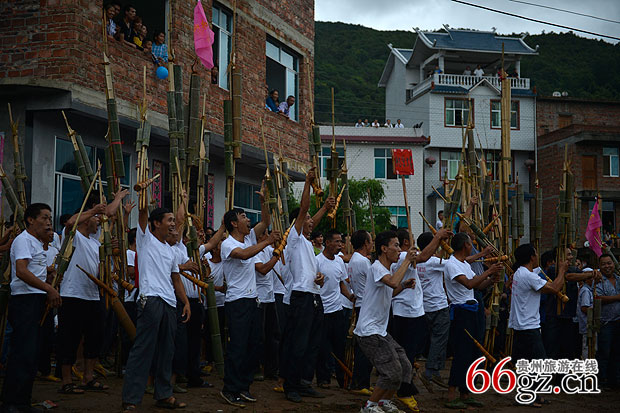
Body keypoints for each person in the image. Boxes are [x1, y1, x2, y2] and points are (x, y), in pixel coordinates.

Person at [121, 202, 190, 412]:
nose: (173, 224)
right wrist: (143, 199)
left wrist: (186, 302)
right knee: (143, 349)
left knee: (167, 351)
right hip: (150, 300)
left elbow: (176, 279)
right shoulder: (145, 240)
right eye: (169, 220)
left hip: (170, 303)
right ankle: (131, 398)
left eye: (173, 220)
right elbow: (143, 214)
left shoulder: (170, 250)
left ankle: (164, 395)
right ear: (156, 223)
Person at [57, 191, 125, 395]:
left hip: (93, 296)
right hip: (72, 295)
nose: (99, 222)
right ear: (85, 220)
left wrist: (111, 251)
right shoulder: (73, 237)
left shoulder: (96, 243)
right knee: (69, 338)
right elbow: (71, 222)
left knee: (94, 337)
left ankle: (88, 377)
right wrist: (94, 209)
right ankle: (66, 381)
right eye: (96, 218)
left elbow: (109, 216)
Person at [219, 185, 280, 407]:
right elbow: (244, 255)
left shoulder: (249, 239)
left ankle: (243, 386)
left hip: (253, 300)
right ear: (234, 223)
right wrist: (267, 242)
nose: (248, 220)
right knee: (237, 347)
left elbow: (265, 222)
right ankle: (230, 388)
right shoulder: (228, 244)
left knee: (253, 346)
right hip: (237, 301)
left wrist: (264, 202)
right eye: (243, 216)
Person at [280, 167, 334, 403]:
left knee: (313, 344)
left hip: (314, 296)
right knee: (298, 344)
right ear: (298, 222)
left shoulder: (308, 245)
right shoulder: (294, 238)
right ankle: (291, 385)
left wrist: (319, 278)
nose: (311, 222)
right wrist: (307, 183)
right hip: (300, 297)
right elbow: (303, 209)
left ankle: (304, 382)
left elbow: (313, 218)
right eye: (308, 219)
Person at [1, 203, 61, 412]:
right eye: (44, 218)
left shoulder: (37, 243)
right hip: (25, 300)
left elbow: (34, 270)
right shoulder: (24, 240)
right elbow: (21, 271)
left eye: (50, 218)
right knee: (23, 352)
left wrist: (49, 277)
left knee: (32, 352)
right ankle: (12, 403)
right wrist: (48, 288)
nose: (48, 222)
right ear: (30, 220)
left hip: (37, 299)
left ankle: (22, 401)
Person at [355, 230, 417, 413]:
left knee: (404, 366)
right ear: (384, 248)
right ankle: (369, 406)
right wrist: (407, 261)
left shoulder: (386, 270)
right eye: (396, 245)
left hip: (380, 331)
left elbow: (390, 291)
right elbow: (392, 283)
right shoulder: (376, 268)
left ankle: (384, 402)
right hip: (369, 332)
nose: (399, 250)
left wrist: (404, 286)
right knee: (391, 371)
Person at [389, 228, 451, 410]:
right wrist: (438, 237)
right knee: (406, 353)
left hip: (413, 311)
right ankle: (403, 390)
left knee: (411, 352)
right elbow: (423, 257)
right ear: (405, 243)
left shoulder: (404, 257)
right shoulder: (403, 256)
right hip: (406, 312)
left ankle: (405, 385)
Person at [443, 232, 501, 409]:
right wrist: (489, 271)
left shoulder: (464, 264)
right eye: (471, 244)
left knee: (474, 353)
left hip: (472, 310)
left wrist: (491, 280)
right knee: (462, 352)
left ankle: (465, 393)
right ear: (465, 246)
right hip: (461, 312)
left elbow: (477, 285)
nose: (472, 246)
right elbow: (468, 284)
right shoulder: (452, 264)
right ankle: (451, 394)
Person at [509, 244, 567, 407]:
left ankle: (531, 395)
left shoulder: (520, 272)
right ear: (531, 257)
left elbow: (537, 273)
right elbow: (555, 288)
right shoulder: (528, 276)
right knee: (539, 363)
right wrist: (562, 270)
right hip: (528, 326)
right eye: (536, 253)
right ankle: (529, 396)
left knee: (527, 363)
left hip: (522, 325)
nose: (537, 256)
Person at [315, 229, 353, 389]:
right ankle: (323, 378)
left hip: (337, 310)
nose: (340, 245)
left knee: (340, 345)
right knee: (323, 347)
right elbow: (313, 283)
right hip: (322, 311)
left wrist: (350, 296)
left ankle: (342, 379)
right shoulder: (317, 261)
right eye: (337, 241)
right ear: (327, 242)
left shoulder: (339, 261)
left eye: (341, 242)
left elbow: (341, 283)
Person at [416, 232, 450, 390]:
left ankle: (433, 371)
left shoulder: (416, 260)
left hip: (423, 307)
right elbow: (455, 263)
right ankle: (430, 371)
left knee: (430, 340)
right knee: (439, 340)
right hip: (438, 306)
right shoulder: (435, 261)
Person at [348, 229, 374, 394]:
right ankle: (360, 383)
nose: (372, 244)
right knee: (366, 346)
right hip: (366, 305)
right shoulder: (363, 261)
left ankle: (362, 381)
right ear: (365, 243)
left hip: (361, 304)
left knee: (364, 345)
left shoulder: (354, 260)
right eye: (370, 241)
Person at [595, 254, 620, 389]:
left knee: (617, 352)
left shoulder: (619, 279)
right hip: (605, 323)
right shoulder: (598, 280)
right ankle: (602, 380)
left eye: (609, 263)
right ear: (599, 266)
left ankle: (614, 380)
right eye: (603, 264)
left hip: (618, 321)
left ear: (613, 264)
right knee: (604, 352)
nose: (607, 266)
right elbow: (598, 298)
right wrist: (618, 297)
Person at [577, 275, 594, 360]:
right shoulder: (586, 291)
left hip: (589, 325)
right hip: (587, 324)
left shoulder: (589, 290)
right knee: (587, 346)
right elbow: (584, 308)